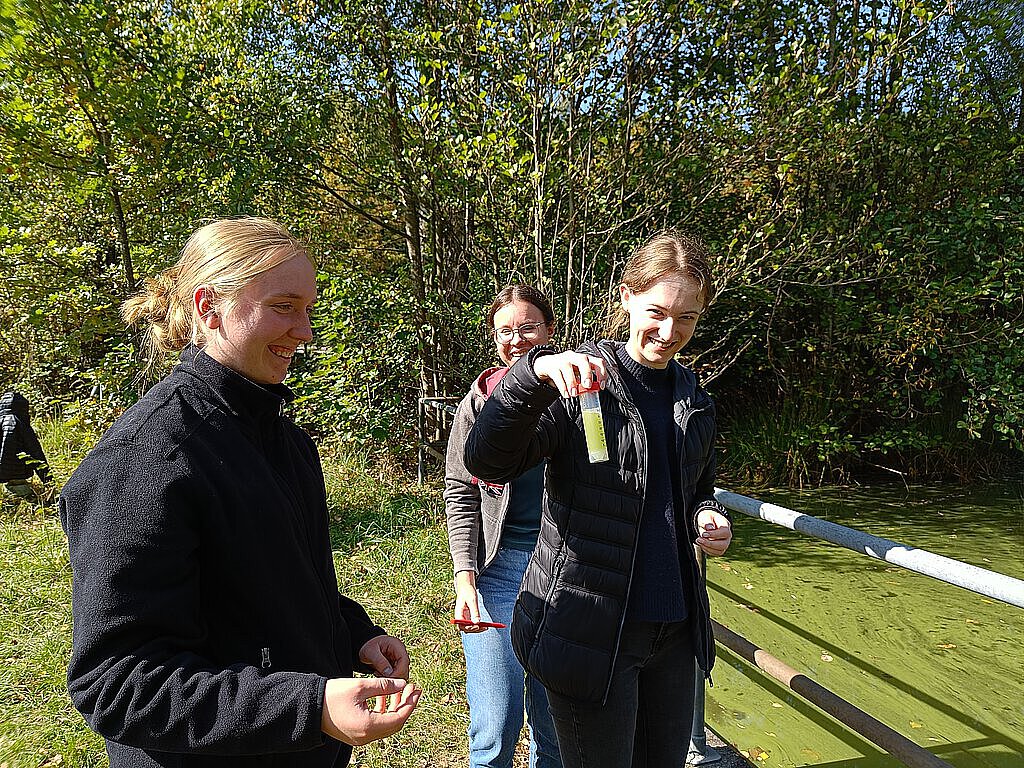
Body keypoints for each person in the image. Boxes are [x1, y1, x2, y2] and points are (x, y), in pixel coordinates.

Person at [59, 217, 421, 768]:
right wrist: (308, 707)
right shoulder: (147, 457)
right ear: (210, 307)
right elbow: (117, 682)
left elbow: (275, 587)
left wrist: (352, 634)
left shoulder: (286, 443)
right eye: (283, 306)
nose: (304, 331)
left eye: (308, 309)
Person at [464, 230, 734, 768]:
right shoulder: (581, 380)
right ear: (627, 297)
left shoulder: (694, 397)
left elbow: (697, 488)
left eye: (687, 318)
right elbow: (487, 461)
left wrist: (709, 515)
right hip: (592, 631)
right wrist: (531, 376)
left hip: (675, 633)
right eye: (657, 312)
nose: (669, 332)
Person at [444, 285, 562, 768]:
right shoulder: (478, 403)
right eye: (505, 331)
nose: (516, 340)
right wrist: (465, 578)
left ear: (550, 330)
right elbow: (459, 490)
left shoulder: (578, 397)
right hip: (498, 570)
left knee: (555, 731)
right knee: (494, 727)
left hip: (563, 570)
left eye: (528, 327)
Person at [0, 390, 51, 499]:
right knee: (28, 499)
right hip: (19, 479)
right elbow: (35, 452)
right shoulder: (21, 424)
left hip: (3, 480)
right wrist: (49, 481)